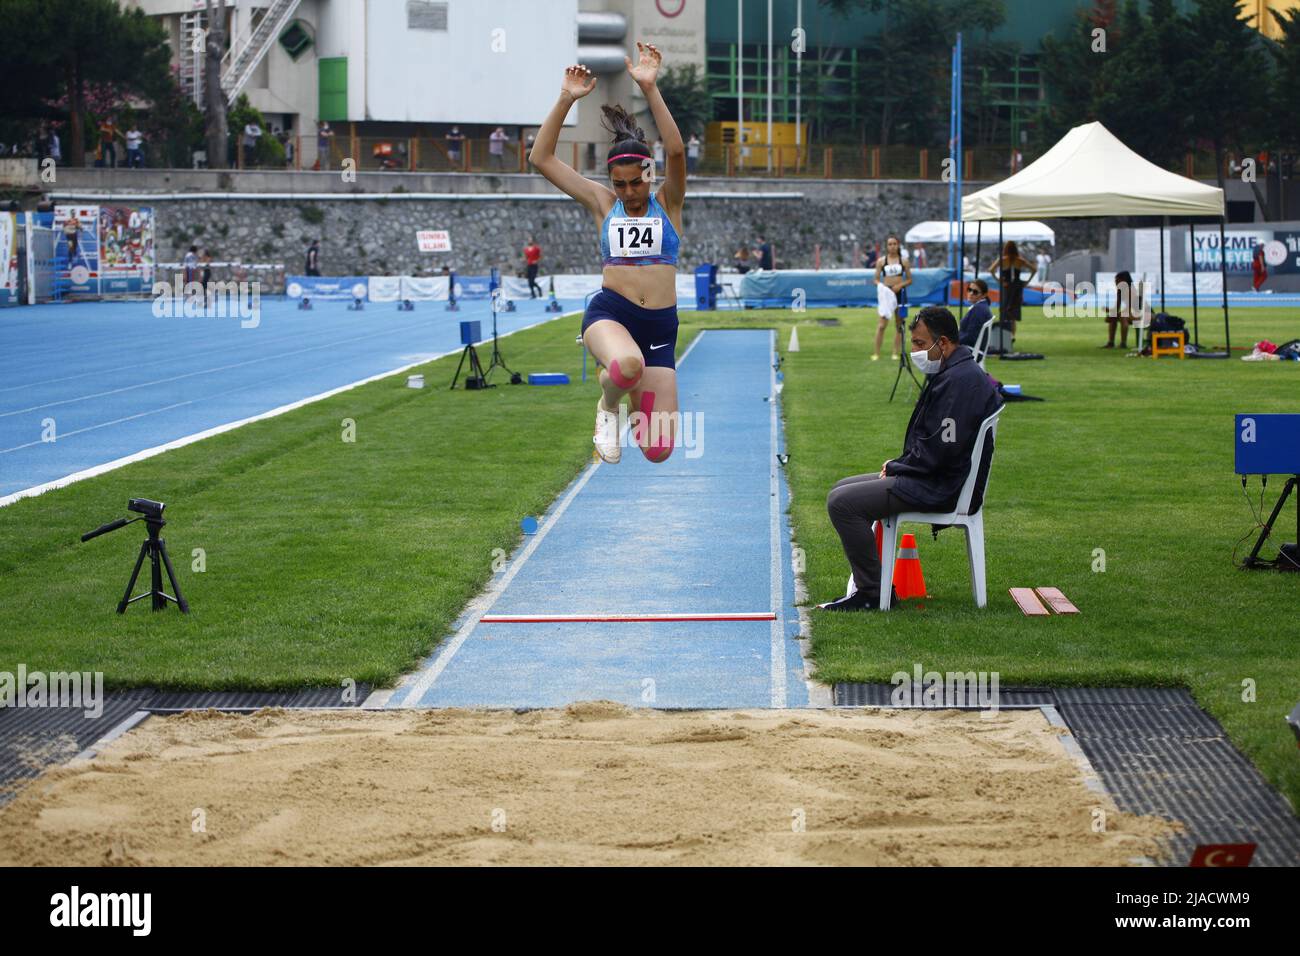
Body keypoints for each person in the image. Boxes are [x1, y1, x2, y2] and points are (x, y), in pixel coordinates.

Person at [529, 42, 685, 465]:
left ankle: (625, 387)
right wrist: (565, 98)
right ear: (611, 182)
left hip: (659, 330)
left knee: (658, 449)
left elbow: (675, 151)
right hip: (611, 315)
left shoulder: (668, 202)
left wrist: (650, 88)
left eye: (637, 182)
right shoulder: (602, 203)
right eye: (621, 184)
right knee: (627, 364)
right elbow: (541, 158)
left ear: (649, 176)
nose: (630, 192)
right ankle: (607, 404)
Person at [818, 306, 1003, 611]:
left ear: (943, 343)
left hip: (940, 486)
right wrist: (901, 464)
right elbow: (937, 445)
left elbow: (942, 450)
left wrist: (897, 466)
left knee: (843, 503)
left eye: (919, 344)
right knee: (842, 488)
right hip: (934, 477)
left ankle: (872, 593)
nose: (915, 351)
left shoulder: (960, 381)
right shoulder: (956, 372)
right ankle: (873, 587)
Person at [872, 234, 911, 361]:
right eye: (890, 244)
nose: (892, 246)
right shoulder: (881, 261)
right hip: (887, 294)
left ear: (898, 245)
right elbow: (876, 280)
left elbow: (910, 280)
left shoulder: (903, 261)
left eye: (894, 244)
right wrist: (883, 287)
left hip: (900, 293)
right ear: (887, 246)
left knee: (899, 324)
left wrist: (900, 285)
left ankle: (895, 352)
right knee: (882, 324)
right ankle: (876, 353)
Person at [987, 240, 1033, 338]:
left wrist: (999, 281)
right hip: (1016, 287)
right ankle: (1012, 336)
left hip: (1006, 287)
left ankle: (1004, 336)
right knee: (1013, 311)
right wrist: (1027, 282)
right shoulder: (1020, 260)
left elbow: (991, 270)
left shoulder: (1002, 260)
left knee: (1004, 310)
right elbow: (1034, 269)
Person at [1102, 270, 1140, 349]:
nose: (1115, 282)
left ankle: (1123, 343)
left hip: (1141, 314)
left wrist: (1115, 314)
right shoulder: (1120, 291)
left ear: (1124, 280)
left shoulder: (1131, 291)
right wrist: (1110, 311)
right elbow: (1117, 308)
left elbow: (1129, 309)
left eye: (1117, 280)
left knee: (1123, 317)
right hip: (1131, 313)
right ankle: (1111, 342)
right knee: (1114, 318)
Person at [958, 279, 992, 348]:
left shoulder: (979, 310)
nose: (971, 293)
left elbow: (970, 336)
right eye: (969, 289)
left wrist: (952, 341)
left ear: (984, 295)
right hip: (968, 348)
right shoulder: (981, 307)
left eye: (975, 292)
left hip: (968, 350)